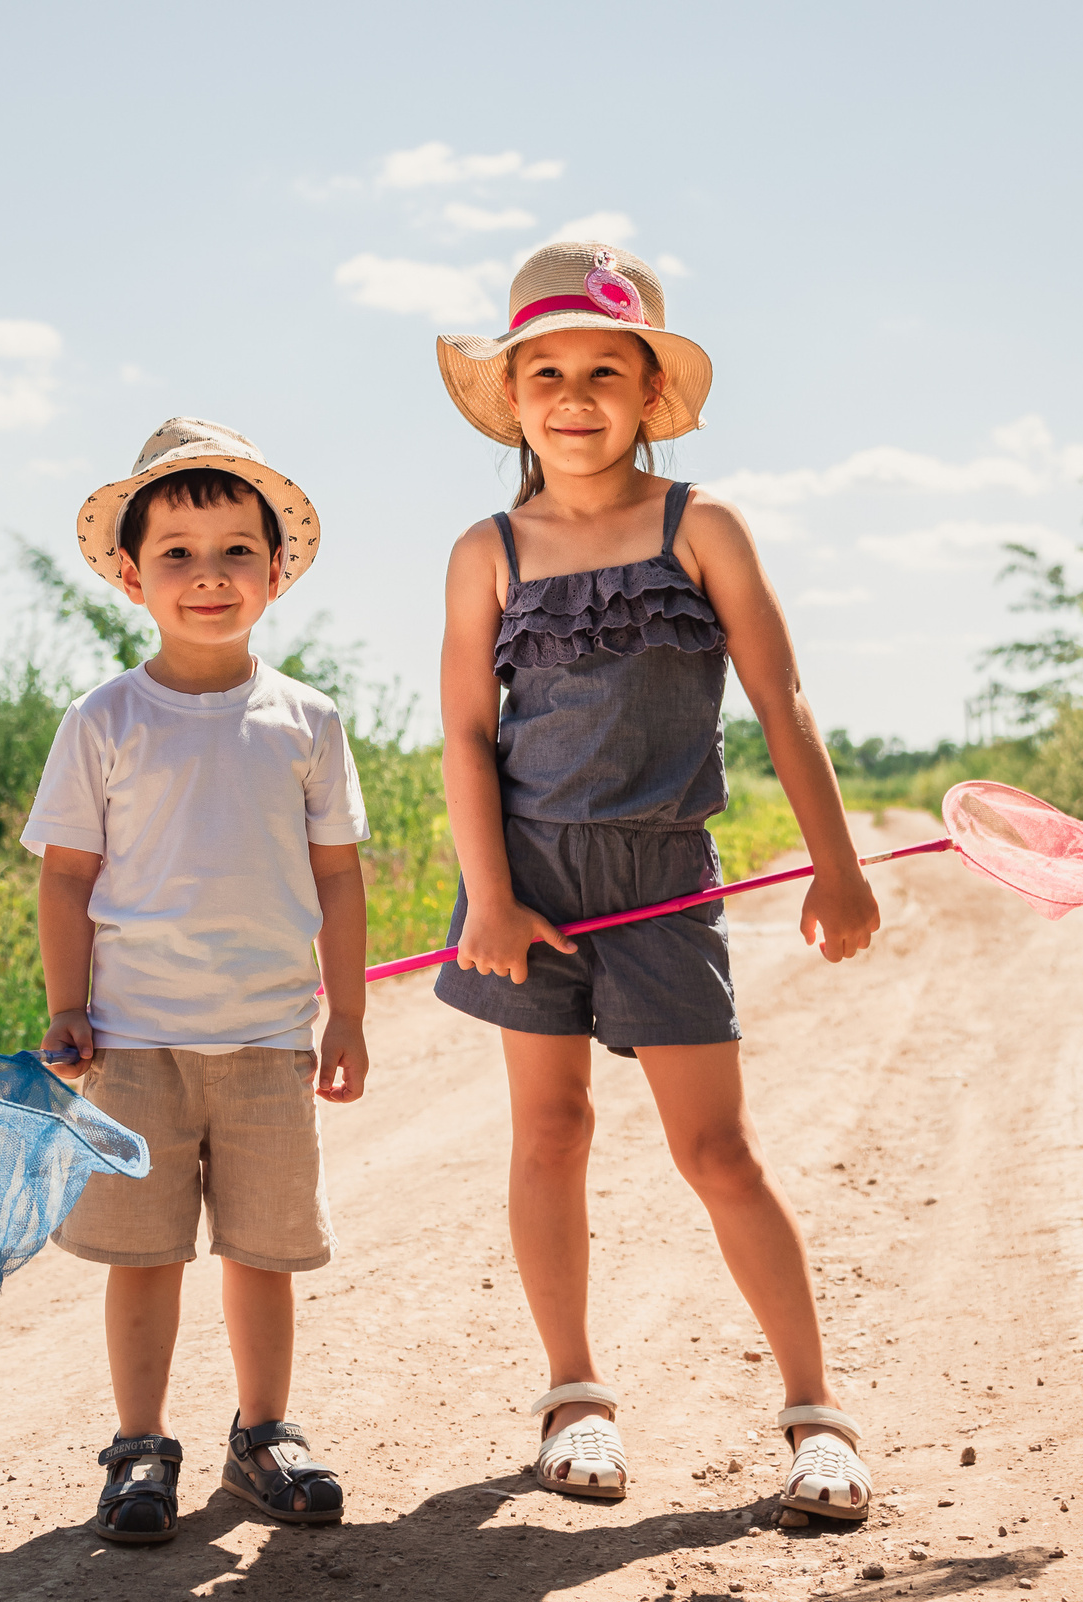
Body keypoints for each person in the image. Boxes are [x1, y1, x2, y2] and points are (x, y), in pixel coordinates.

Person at [430, 243, 879, 1522]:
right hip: (524, 876)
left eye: (603, 371)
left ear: (647, 390)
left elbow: (781, 698)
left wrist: (836, 864)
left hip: (662, 878)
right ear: (513, 395)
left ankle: (817, 1416)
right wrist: (491, 897)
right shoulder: (487, 551)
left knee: (716, 1146)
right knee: (550, 1131)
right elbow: (466, 731)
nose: (575, 396)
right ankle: (572, 1399)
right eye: (547, 372)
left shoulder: (703, 527)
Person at [21, 418, 369, 1545]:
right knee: (144, 1252)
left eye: (234, 551)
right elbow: (68, 878)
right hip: (132, 1044)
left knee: (264, 1252)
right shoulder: (104, 720)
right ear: (131, 575)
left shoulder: (306, 721)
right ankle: (139, 1445)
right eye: (176, 551)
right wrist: (66, 1005)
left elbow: (338, 875)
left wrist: (349, 1010)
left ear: (276, 571)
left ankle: (263, 1434)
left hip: (271, 1038)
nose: (207, 575)